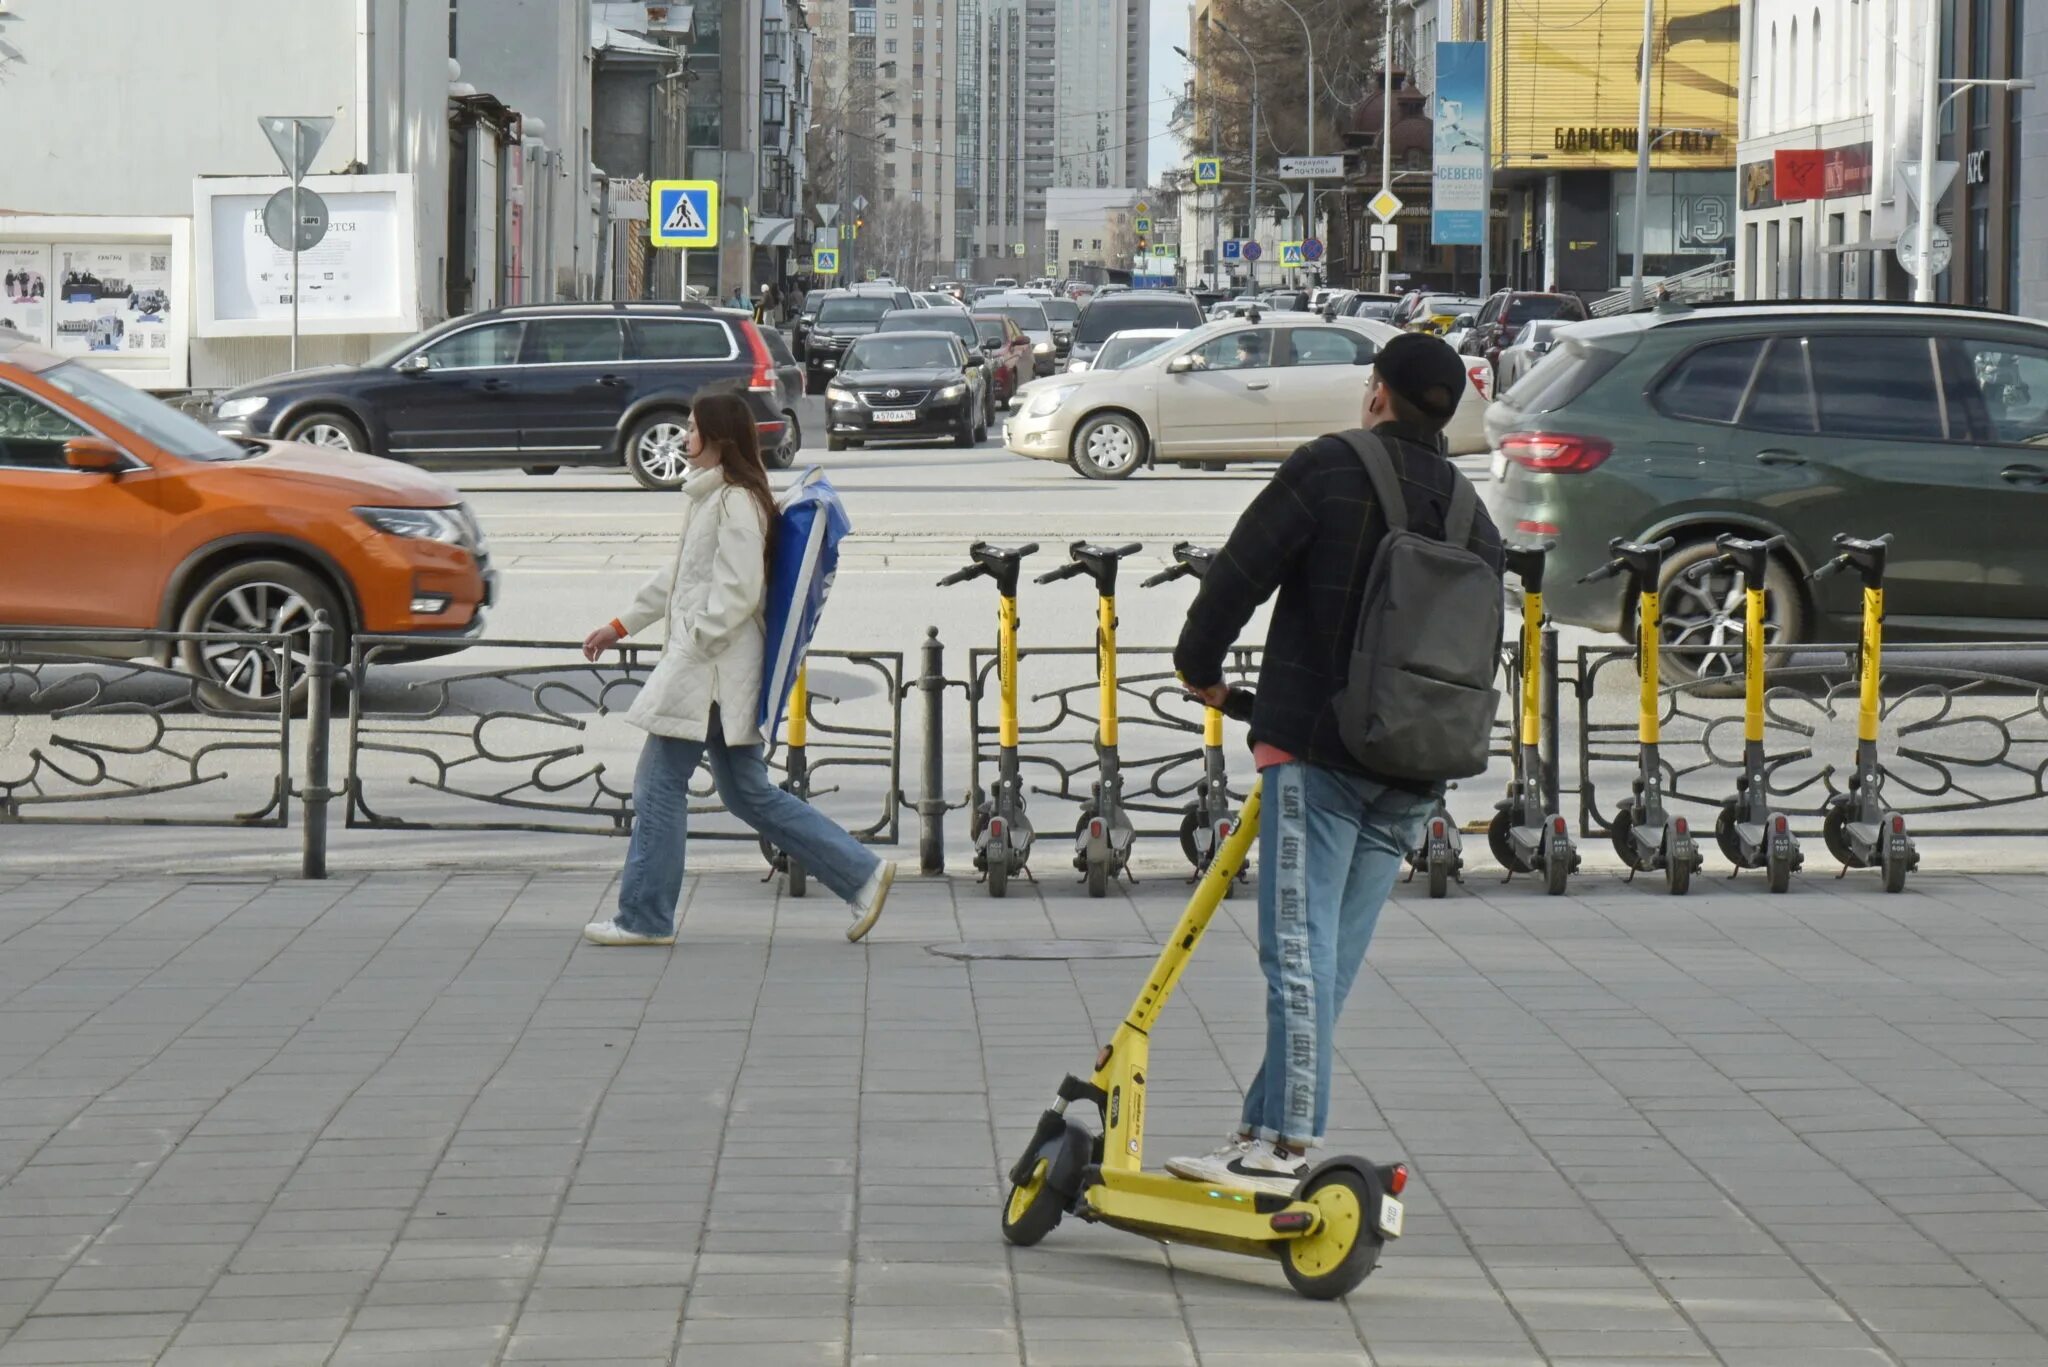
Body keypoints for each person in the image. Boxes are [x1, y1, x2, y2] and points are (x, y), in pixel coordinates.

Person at [1166, 333, 1504, 1195]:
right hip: (1414, 763)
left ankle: (1287, 1153)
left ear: (1378, 393)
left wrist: (1200, 666)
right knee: (1329, 965)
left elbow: (1239, 574)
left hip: (1316, 756)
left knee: (1295, 955)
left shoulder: (1329, 467)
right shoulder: (1472, 515)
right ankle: (1257, 1132)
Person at [578, 393, 897, 948]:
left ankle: (645, 917)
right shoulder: (714, 499)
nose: (683, 438)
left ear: (720, 438)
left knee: (657, 787)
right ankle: (861, 873)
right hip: (717, 672)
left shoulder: (736, 504)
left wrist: (693, 645)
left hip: (711, 675)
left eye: (693, 429)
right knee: (748, 794)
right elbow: (676, 577)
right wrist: (620, 625)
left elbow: (737, 590)